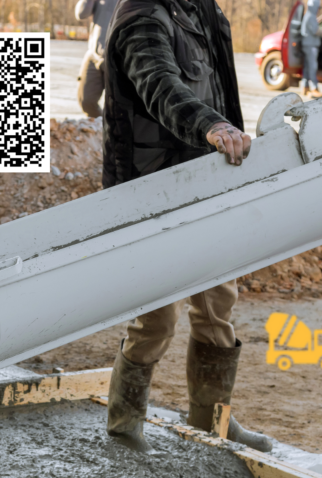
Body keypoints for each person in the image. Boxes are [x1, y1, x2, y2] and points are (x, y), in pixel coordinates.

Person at [101, 0, 273, 452]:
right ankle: (125, 424)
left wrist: (228, 141)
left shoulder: (204, 12)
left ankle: (211, 421)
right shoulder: (141, 17)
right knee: (156, 318)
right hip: (155, 191)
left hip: (207, 184)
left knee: (218, 307)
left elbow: (222, 95)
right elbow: (159, 84)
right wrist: (210, 126)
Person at [75, 0, 120, 118]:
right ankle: (101, 127)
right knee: (86, 101)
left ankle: (112, 132)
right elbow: (81, 14)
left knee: (119, 108)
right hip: (94, 54)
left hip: (119, 59)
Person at [301, 0, 322, 98]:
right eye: (318, 7)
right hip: (310, 46)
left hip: (307, 45)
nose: (318, 9)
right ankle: (314, 88)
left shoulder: (308, 15)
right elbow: (316, 31)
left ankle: (305, 87)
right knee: (312, 67)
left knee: (307, 67)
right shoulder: (311, 17)